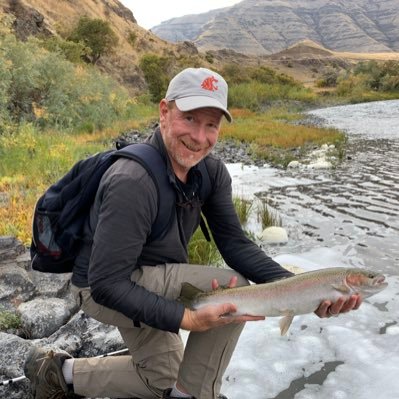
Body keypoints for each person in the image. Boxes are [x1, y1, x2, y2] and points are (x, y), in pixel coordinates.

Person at [24, 67, 362, 399]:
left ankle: (57, 373)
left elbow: (234, 245)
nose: (199, 138)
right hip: (103, 288)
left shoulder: (210, 171)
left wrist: (305, 291)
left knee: (161, 379)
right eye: (189, 119)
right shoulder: (132, 181)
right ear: (165, 112)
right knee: (235, 292)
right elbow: (106, 284)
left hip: (145, 279)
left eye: (211, 125)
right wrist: (186, 318)